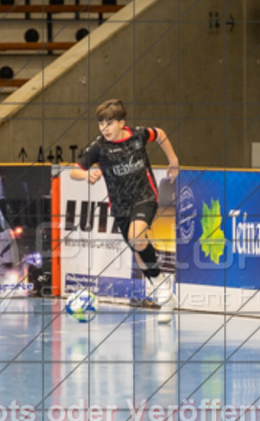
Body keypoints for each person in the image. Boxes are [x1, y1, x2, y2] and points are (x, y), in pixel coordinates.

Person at [70, 99, 179, 323]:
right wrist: (86, 175)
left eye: (109, 124)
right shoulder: (100, 147)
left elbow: (159, 133)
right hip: (120, 207)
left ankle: (161, 288)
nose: (104, 129)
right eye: (101, 124)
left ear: (122, 123)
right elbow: (75, 171)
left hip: (145, 196)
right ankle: (165, 296)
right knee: (138, 250)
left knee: (136, 236)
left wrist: (173, 160)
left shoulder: (138, 136)